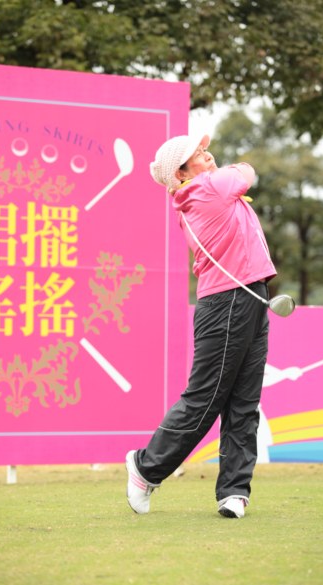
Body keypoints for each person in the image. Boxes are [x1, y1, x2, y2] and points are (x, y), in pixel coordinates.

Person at [125, 133, 277, 518]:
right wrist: (227, 170)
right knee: (206, 398)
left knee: (244, 401)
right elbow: (246, 171)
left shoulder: (201, 190)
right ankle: (146, 468)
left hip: (250, 295)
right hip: (227, 301)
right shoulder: (206, 188)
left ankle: (234, 491)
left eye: (207, 151)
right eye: (199, 154)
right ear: (181, 173)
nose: (209, 157)